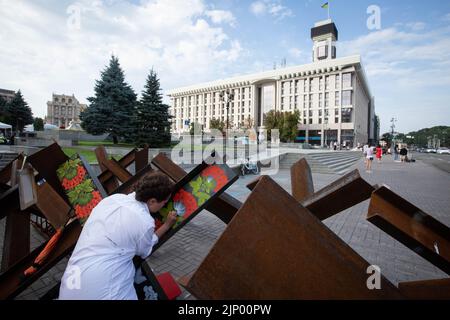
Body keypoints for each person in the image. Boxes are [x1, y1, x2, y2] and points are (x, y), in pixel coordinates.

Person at [59, 172, 178, 300]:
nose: (164, 205)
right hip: (107, 291)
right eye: (164, 202)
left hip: (70, 284)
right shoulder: (145, 221)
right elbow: (144, 250)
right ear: (152, 201)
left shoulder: (111, 199)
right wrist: (166, 225)